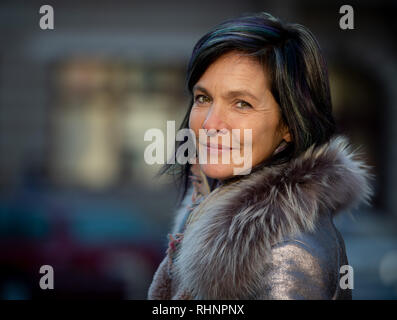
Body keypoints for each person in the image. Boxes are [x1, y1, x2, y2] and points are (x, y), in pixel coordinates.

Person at [147, 12, 373, 300]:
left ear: (288, 126)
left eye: (241, 104)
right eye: (203, 98)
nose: (209, 124)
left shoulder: (287, 254)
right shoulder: (208, 211)